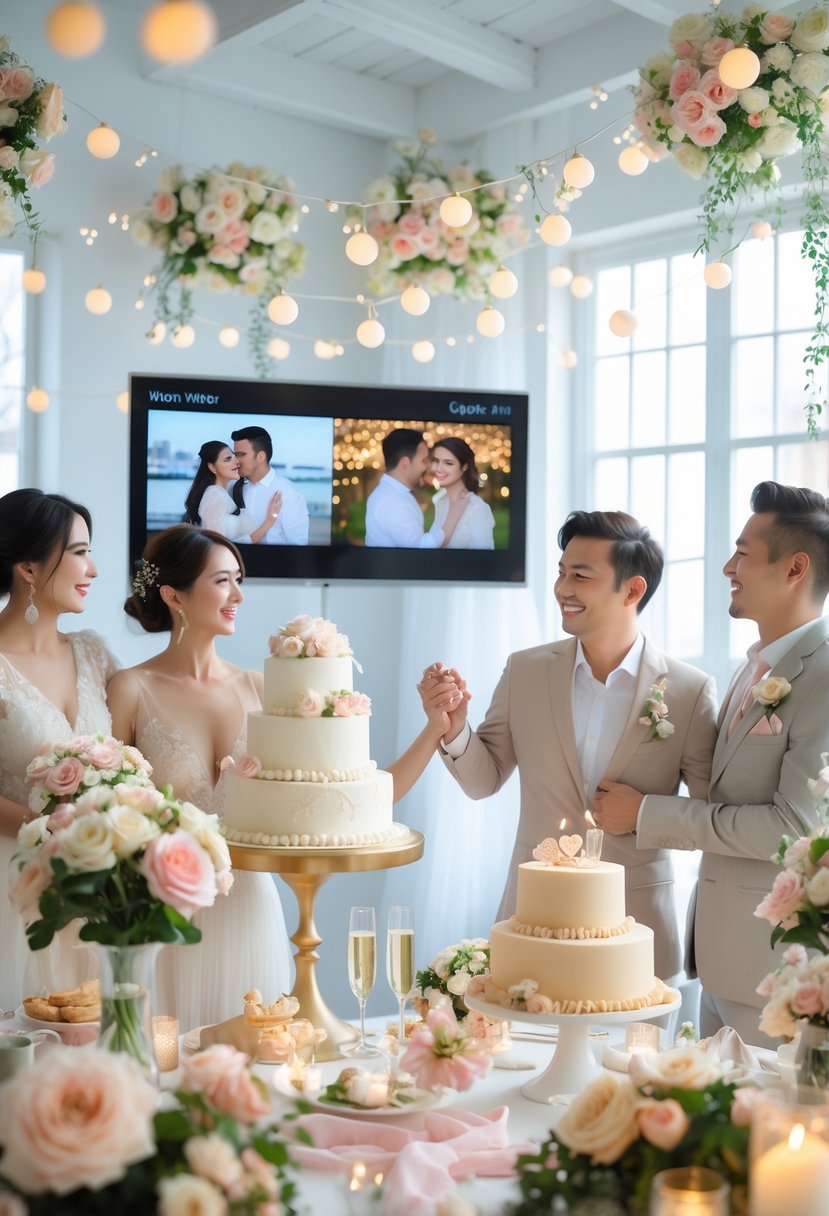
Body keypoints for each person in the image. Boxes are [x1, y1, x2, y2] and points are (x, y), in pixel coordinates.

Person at [419, 510, 718, 980]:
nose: (563, 588)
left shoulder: (688, 690)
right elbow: (484, 781)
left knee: (630, 1056)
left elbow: (709, 819)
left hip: (635, 930)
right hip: (532, 920)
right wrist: (455, 729)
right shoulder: (526, 670)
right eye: (561, 571)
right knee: (525, 1053)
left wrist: (643, 815)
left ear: (633, 590)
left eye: (580, 575)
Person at [594, 482, 829, 1044]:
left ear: (795, 568)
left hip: (779, 974)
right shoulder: (754, 668)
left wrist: (647, 813)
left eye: (744, 553)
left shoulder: (822, 676)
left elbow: (794, 828)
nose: (728, 566)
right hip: (722, 965)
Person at [107, 526, 291, 1030]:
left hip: (251, 905)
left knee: (254, 1066)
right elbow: (112, 810)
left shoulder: (260, 687)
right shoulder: (130, 689)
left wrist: (434, 731)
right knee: (165, 1065)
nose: (238, 595)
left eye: (239, 580)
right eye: (223, 581)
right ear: (173, 596)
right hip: (162, 915)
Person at [0, 489, 118, 1011]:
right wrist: (42, 824)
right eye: (78, 552)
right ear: (28, 566)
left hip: (98, 881)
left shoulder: (92, 650)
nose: (91, 568)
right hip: (15, 879)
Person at [365, 428, 466, 549]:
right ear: (405, 463)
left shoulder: (392, 493)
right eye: (424, 460)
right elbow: (420, 547)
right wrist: (455, 512)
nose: (429, 467)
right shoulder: (392, 500)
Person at [183, 440, 281, 544]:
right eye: (228, 459)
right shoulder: (214, 494)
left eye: (234, 456)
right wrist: (269, 521)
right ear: (212, 467)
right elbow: (216, 544)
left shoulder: (224, 493)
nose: (237, 462)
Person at [231, 426, 309, 545]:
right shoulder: (235, 489)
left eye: (241, 454)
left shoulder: (288, 493)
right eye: (234, 455)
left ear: (260, 457)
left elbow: (299, 545)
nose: (235, 460)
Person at [428, 437, 495, 550]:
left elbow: (484, 562)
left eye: (448, 463)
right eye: (436, 461)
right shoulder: (441, 502)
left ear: (464, 466)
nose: (438, 469)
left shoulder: (478, 509)